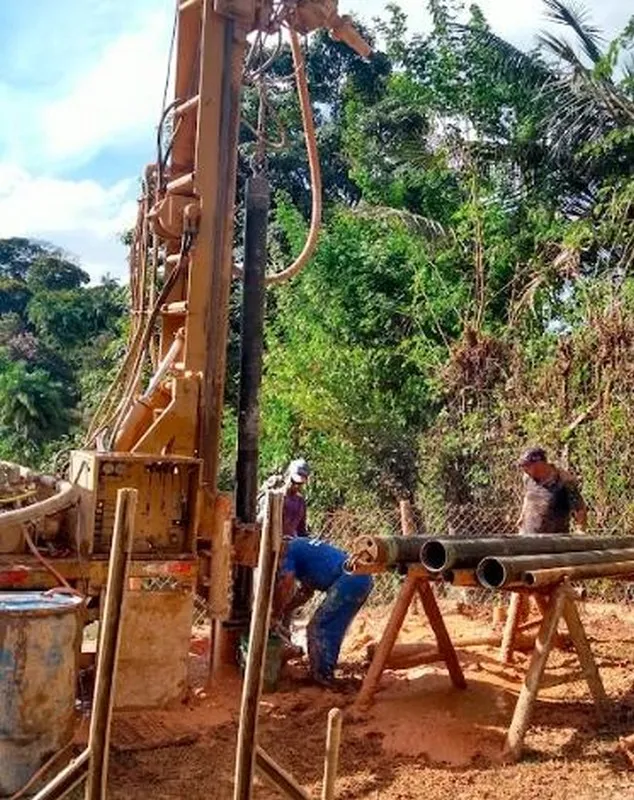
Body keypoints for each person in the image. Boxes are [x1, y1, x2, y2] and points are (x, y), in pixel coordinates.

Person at [273, 537, 373, 688]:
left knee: (320, 626)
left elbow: (286, 583)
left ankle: (323, 676)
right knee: (328, 625)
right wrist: (284, 611)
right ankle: (320, 672)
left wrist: (275, 613)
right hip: (358, 578)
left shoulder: (287, 551)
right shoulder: (300, 548)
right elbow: (305, 594)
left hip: (351, 580)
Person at [516, 446, 587, 534]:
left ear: (539, 463)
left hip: (553, 539)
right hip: (527, 534)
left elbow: (579, 508)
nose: (524, 469)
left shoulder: (563, 480)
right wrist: (522, 516)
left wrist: (580, 529)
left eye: (526, 466)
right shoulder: (528, 478)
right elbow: (527, 496)